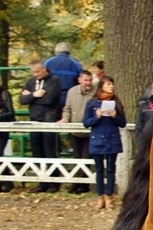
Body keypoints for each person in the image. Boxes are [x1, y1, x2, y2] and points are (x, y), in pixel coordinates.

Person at [83, 77, 126, 210]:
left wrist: (115, 116)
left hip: (112, 139)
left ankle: (109, 197)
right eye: (108, 84)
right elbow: (86, 122)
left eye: (112, 84)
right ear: (102, 86)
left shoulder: (116, 102)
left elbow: (123, 123)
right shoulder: (92, 103)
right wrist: (97, 116)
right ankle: (100, 197)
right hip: (97, 139)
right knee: (99, 170)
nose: (111, 86)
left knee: (111, 169)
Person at [19, 60, 62, 192]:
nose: (35, 74)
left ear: (44, 69)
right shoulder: (31, 82)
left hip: (49, 118)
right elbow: (22, 100)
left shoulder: (54, 81)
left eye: (38, 71)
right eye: (33, 72)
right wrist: (35, 94)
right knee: (37, 151)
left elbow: (50, 99)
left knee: (50, 150)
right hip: (34, 119)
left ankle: (54, 182)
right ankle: (42, 182)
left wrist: (31, 97)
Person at [58, 70, 95, 193]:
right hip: (75, 130)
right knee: (77, 157)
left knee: (86, 157)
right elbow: (67, 108)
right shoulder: (72, 92)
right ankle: (80, 183)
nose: (88, 83)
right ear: (80, 80)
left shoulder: (95, 92)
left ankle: (79, 184)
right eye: (85, 80)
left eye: (90, 80)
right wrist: (65, 118)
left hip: (90, 131)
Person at [44, 42, 82, 110]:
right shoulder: (76, 64)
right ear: (69, 52)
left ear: (56, 52)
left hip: (50, 96)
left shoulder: (48, 62)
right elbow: (80, 81)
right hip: (69, 96)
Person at [0, 82, 15, 192]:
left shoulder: (4, 94)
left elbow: (10, 112)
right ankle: (7, 180)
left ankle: (8, 181)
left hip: (2, 127)